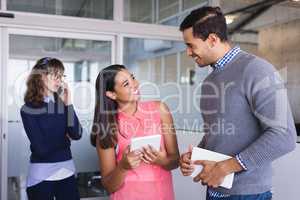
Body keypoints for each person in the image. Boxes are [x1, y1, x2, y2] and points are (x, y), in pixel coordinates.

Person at [178, 6, 297, 200]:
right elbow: (217, 136)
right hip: (215, 191)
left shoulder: (257, 70)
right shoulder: (210, 81)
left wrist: (225, 167)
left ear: (212, 39)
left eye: (191, 45)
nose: (188, 52)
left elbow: (284, 136)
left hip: (248, 195)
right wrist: (196, 158)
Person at [90, 64, 179, 200]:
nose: (136, 84)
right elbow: (109, 185)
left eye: (133, 78)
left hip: (163, 194)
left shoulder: (160, 109)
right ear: (112, 94)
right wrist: (123, 167)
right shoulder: (107, 127)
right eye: (126, 84)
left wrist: (162, 161)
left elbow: (175, 160)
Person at [20, 57, 82, 200]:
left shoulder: (63, 105)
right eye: (56, 76)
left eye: (61, 76)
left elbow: (77, 134)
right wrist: (65, 140)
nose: (60, 81)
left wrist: (69, 103)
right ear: (41, 76)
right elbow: (41, 149)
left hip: (67, 172)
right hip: (41, 176)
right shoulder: (28, 109)